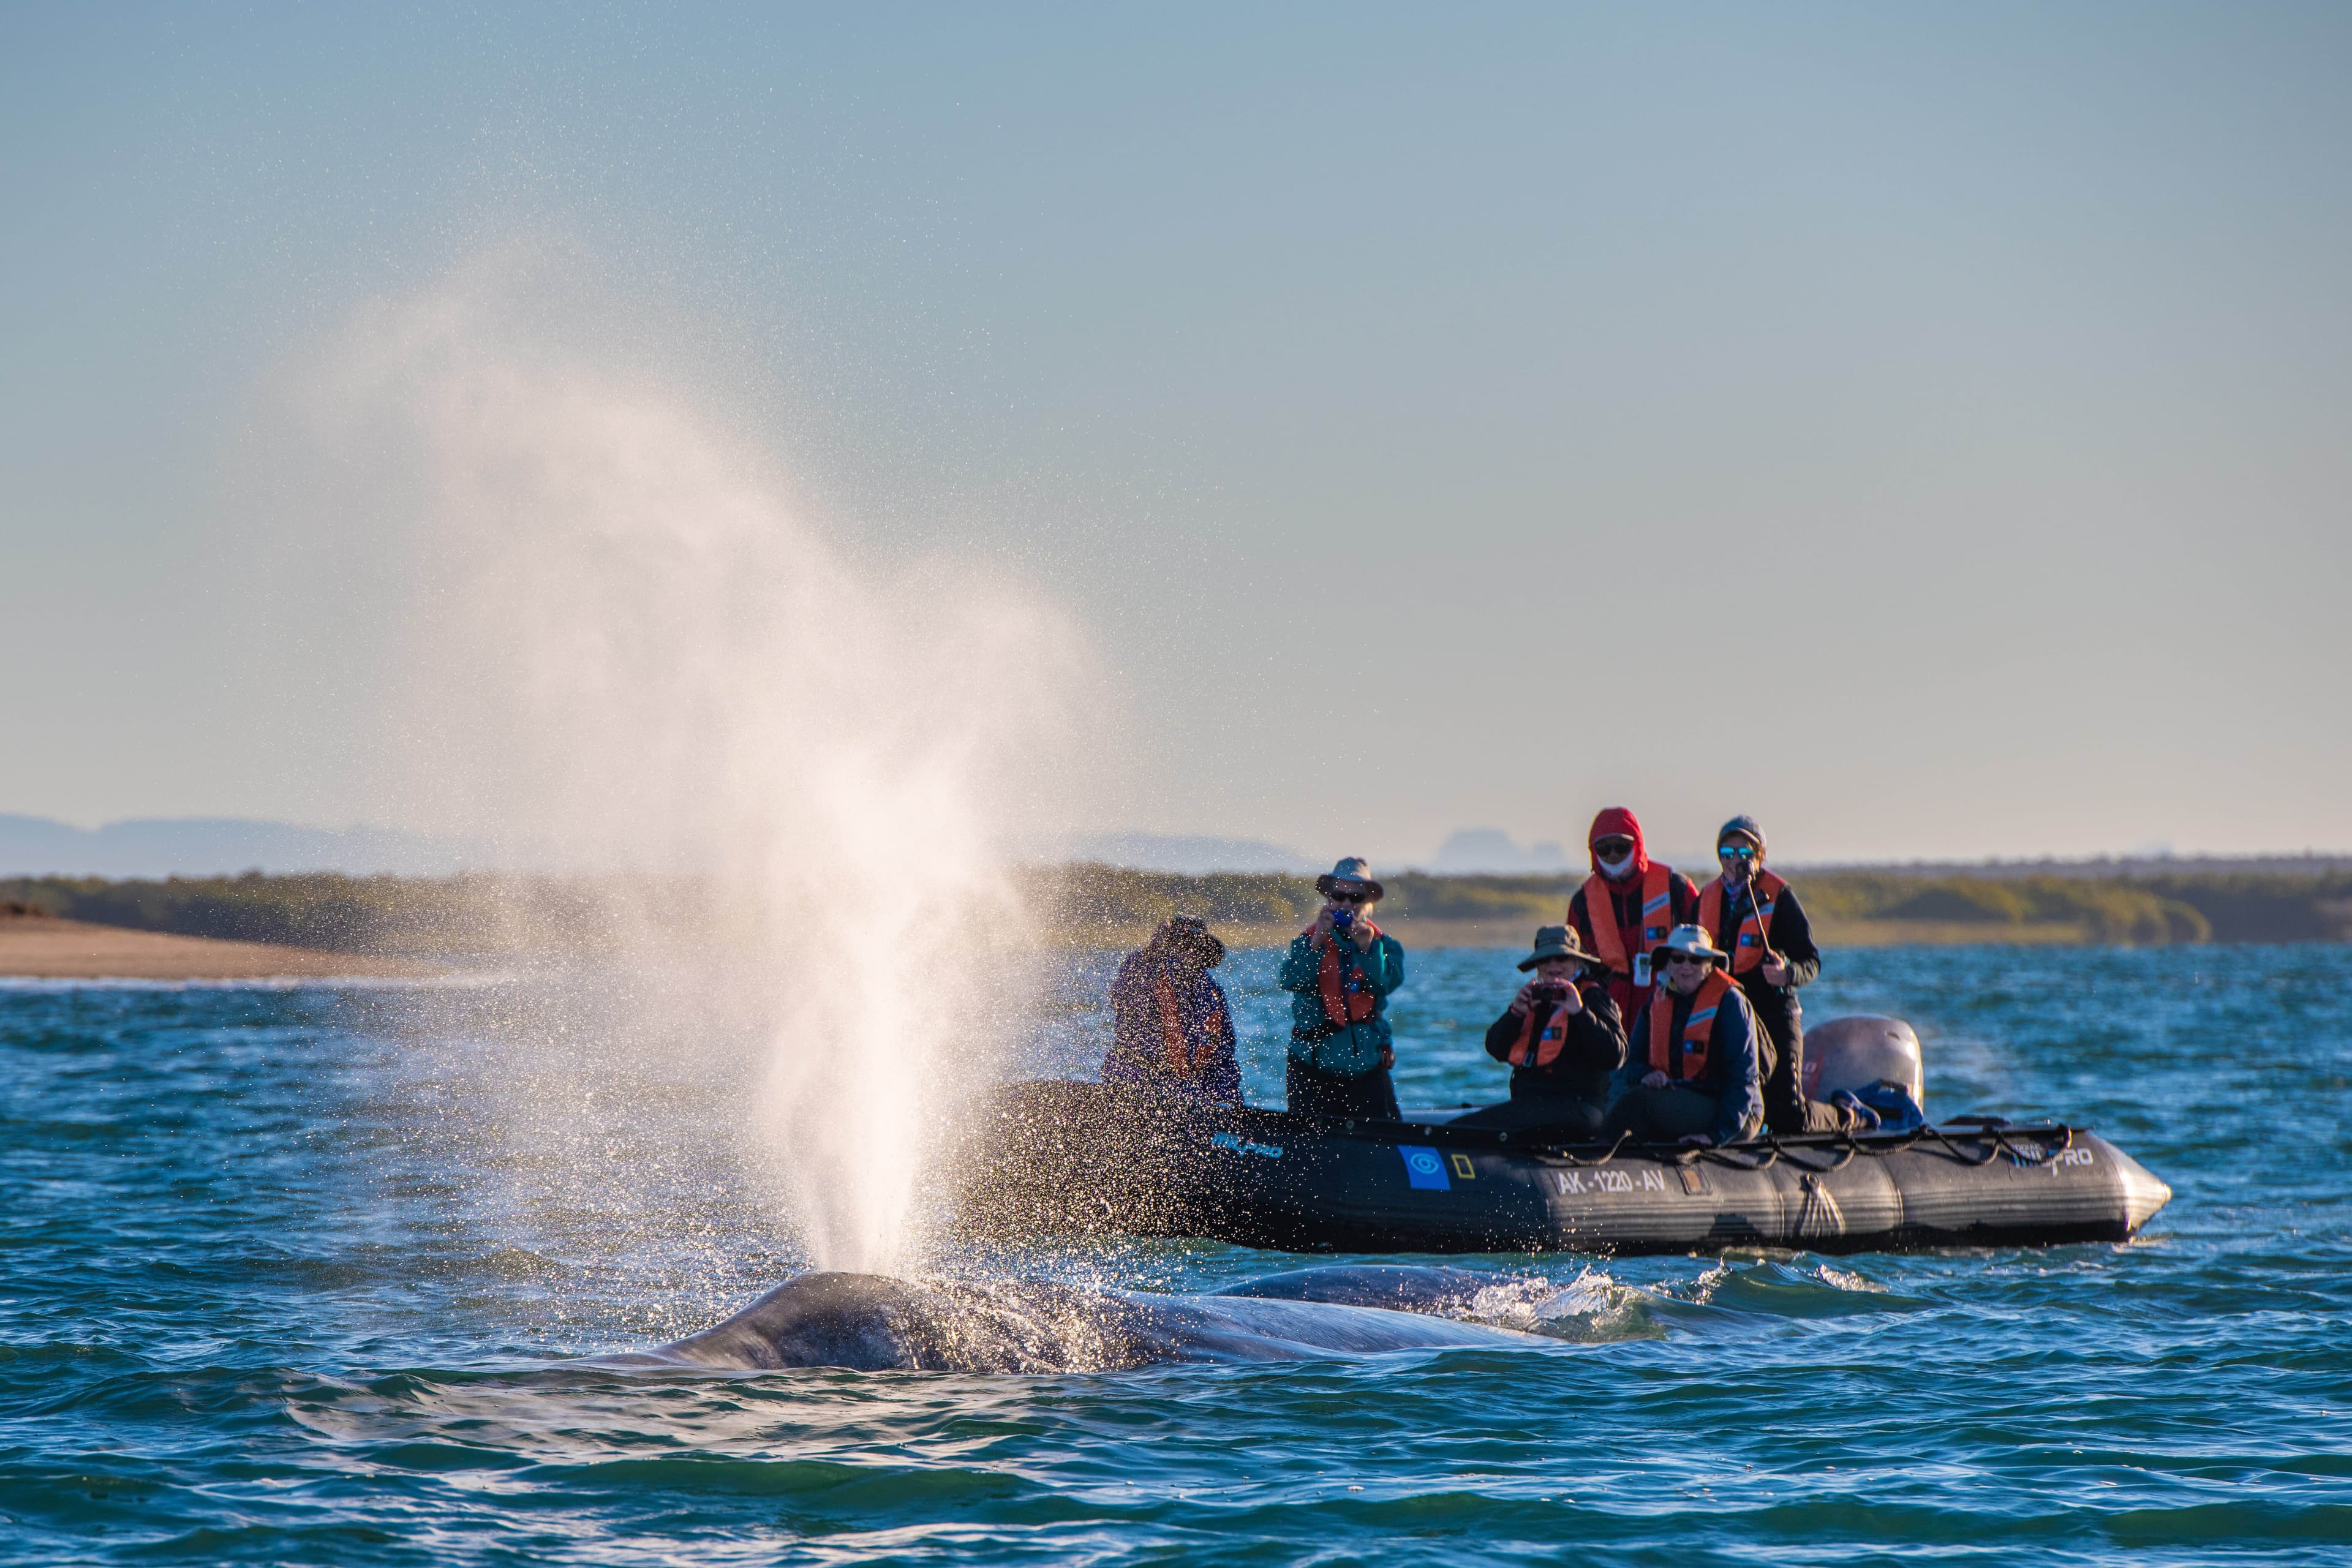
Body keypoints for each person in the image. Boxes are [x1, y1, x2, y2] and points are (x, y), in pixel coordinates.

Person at [1696, 814, 1861, 1134]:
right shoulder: (1706, 899)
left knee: (1788, 1115)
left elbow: (1811, 961)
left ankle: (1849, 1115)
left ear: (1759, 856)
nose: (1735, 861)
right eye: (1727, 854)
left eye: (1744, 853)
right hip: (1728, 1016)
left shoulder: (1780, 897)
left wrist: (1787, 974)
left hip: (1775, 1014)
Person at [1453, 925, 1626, 1137]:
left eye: (1561, 959)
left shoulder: (1593, 998)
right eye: (1545, 960)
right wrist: (1516, 1013)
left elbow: (1615, 1056)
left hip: (1579, 1107)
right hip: (1533, 1105)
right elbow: (1496, 1049)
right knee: (1465, 1125)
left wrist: (1580, 1013)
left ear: (1576, 962)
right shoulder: (1535, 999)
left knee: (1464, 1129)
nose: (1553, 966)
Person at [1602, 924, 1763, 1148]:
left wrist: (1716, 1135)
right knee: (1614, 1090)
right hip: (1680, 1097)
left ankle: (1600, 1152)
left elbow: (1744, 1078)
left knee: (1640, 1103)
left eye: (1696, 960)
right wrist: (1647, 1074)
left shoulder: (1731, 1002)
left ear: (1709, 965)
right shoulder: (1656, 1001)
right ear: (1668, 963)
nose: (1686, 966)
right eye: (1678, 959)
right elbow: (1631, 1062)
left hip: (1735, 1114)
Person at [1278, 857, 1406, 1120]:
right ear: (1329, 899)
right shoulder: (1307, 941)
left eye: (1355, 898)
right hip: (1312, 1065)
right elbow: (1291, 980)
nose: (1346, 904)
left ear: (1366, 902)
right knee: (1309, 1141)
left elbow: (1385, 984)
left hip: (1367, 1066)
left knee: (1385, 1136)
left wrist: (1368, 949)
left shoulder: (1384, 946)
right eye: (1339, 896)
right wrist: (1317, 941)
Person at [1566, 807, 1698, 1026]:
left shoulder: (1675, 887)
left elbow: (1704, 942)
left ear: (1637, 844)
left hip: (1670, 997)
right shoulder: (1582, 902)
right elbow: (1572, 961)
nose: (1613, 855)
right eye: (1604, 849)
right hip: (1608, 1008)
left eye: (1621, 847)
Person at [1101, 914, 1242, 1105]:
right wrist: (1156, 953)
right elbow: (1123, 1000)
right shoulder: (1142, 970)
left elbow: (1223, 1058)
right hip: (1136, 1083)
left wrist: (1225, 1100)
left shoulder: (1212, 993)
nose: (1190, 952)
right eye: (1183, 945)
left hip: (1195, 1093)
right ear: (1168, 946)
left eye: (1196, 946)